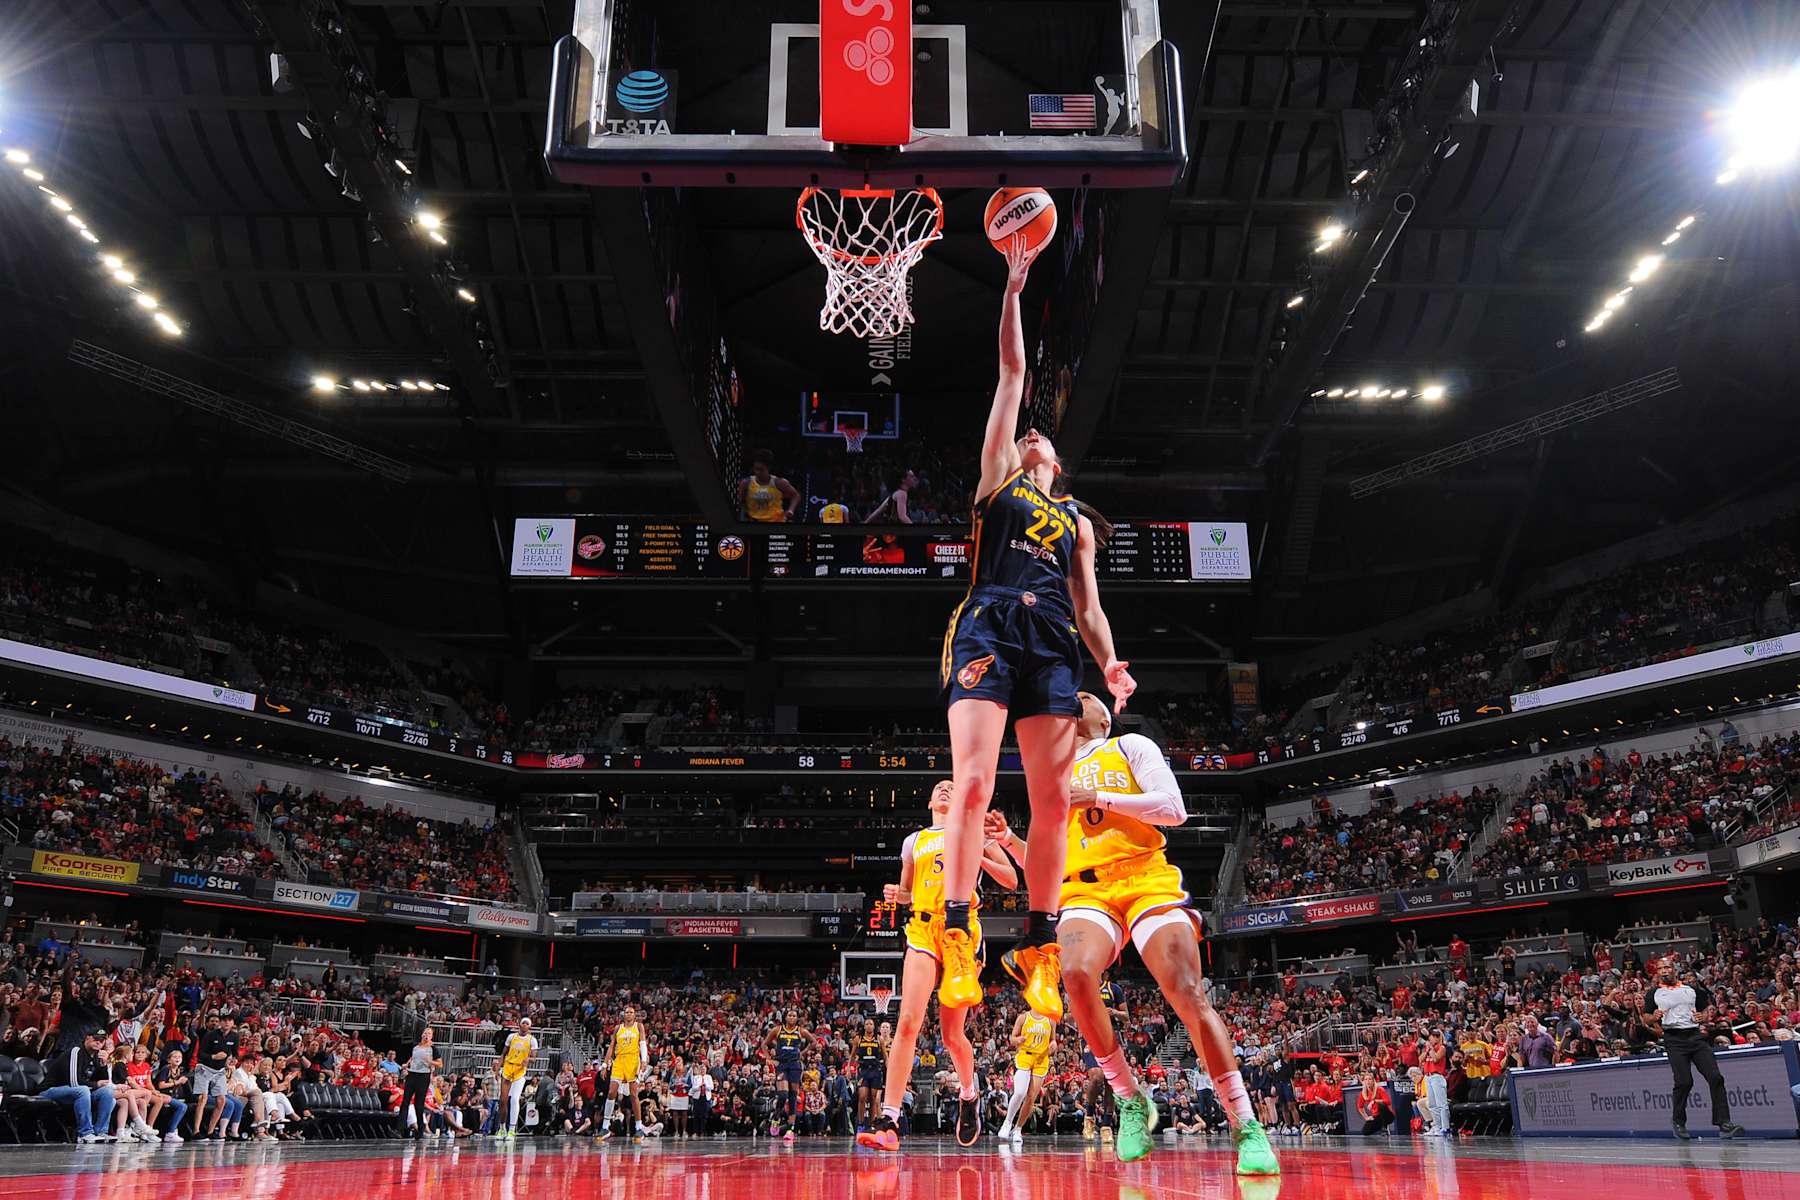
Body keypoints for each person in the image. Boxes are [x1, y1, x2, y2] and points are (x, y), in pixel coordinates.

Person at [935, 234, 1135, 1027]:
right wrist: (1013, 289)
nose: (1031, 438)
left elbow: (1088, 607)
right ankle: (958, 929)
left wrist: (1111, 663)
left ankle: (1041, 947)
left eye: (1041, 439)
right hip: (988, 626)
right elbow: (1013, 374)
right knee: (976, 785)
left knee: (1052, 803)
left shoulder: (1075, 522)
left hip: (1054, 643)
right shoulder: (998, 485)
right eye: (1026, 437)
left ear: (1058, 460)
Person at [993, 692, 1278, 1173]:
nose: (1074, 698)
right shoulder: (1050, 772)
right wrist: (1009, 842)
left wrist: (1098, 797)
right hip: (1085, 890)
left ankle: (1245, 1123)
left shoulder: (1130, 746)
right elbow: (1043, 862)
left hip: (1145, 876)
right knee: (1077, 973)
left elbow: (1173, 808)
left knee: (1186, 990)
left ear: (1103, 716)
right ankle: (1129, 1099)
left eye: (1084, 695)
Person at [856, 781, 1019, 1153]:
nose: (946, 789)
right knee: (908, 1021)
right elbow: (908, 894)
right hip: (923, 929)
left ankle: (968, 1093)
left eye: (951, 786)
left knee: (951, 1035)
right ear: (930, 800)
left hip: (961, 929)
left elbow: (1010, 879)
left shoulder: (973, 830)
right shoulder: (913, 842)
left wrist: (974, 851)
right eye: (939, 787)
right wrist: (898, 896)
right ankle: (890, 1118)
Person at [1643, 965, 1745, 1139]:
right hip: (1673, 1038)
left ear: (1675, 970)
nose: (1665, 971)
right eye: (1661, 969)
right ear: (1657, 973)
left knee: (1715, 1077)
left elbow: (1704, 1010)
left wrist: (1702, 1017)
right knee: (1684, 1082)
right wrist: (1654, 1017)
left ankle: (1724, 1123)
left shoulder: (1690, 989)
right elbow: (1645, 1017)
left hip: (1695, 1036)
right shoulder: (1654, 993)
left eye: (1667, 967)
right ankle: (1678, 1122)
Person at [43, 1029, 118, 1144]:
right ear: (87, 1038)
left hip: (77, 1093)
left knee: (107, 1092)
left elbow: (104, 1082)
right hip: (51, 1090)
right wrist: (95, 1084)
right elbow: (74, 1083)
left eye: (102, 1041)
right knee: (82, 1090)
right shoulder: (76, 1051)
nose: (98, 1042)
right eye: (96, 1039)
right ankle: (85, 1133)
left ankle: (101, 1132)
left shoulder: (97, 1056)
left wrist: (104, 1064)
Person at [996, 1008, 1056, 1144]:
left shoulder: (1051, 1020)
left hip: (1041, 1059)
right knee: (1019, 1092)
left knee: (1031, 1097)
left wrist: (1053, 1045)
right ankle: (1007, 1122)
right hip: (1025, 1056)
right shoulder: (1023, 1017)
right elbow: (1012, 1038)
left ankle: (1018, 1129)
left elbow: (1053, 1040)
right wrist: (1018, 1040)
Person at [765, 1008, 817, 1142]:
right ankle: (776, 1117)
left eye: (795, 1015)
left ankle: (790, 1129)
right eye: (790, 1015)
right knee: (782, 1095)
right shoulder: (777, 1030)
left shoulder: (801, 1031)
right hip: (781, 1064)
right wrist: (769, 1059)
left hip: (795, 1065)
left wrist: (803, 1053)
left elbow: (813, 1042)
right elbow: (764, 1044)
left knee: (793, 1096)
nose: (792, 1017)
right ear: (785, 1017)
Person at [597, 1005, 648, 1142]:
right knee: (611, 1092)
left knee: (633, 1094)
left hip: (633, 1061)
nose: (629, 1014)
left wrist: (644, 1060)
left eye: (631, 1012)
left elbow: (642, 1043)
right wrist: (604, 1064)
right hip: (619, 1061)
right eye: (627, 1012)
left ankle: (638, 1128)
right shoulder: (618, 1028)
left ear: (635, 1015)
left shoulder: (639, 1026)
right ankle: (605, 1127)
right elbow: (611, 1047)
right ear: (623, 1014)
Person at [497, 1017, 537, 1139]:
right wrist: (499, 1067)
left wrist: (528, 1059)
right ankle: (502, 1128)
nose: (525, 1025)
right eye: (523, 1023)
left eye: (527, 1024)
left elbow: (534, 1058)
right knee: (503, 1101)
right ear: (519, 1024)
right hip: (508, 1069)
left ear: (529, 1027)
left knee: (514, 1099)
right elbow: (503, 1053)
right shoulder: (511, 1037)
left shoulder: (532, 1040)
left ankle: (512, 1130)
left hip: (520, 1072)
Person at [738, 450, 799, 523]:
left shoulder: (779, 483)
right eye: (755, 469)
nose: (757, 472)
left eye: (761, 469)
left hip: (776, 522)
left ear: (768, 468)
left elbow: (795, 496)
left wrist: (791, 510)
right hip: (754, 523)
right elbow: (739, 502)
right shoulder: (746, 483)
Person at [404, 1027, 440, 1140]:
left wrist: (430, 1062)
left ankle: (421, 1130)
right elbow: (413, 1058)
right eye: (425, 1033)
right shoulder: (416, 1048)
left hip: (422, 1076)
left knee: (419, 1106)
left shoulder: (433, 1049)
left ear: (431, 1036)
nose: (426, 1035)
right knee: (408, 1104)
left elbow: (439, 1064)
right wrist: (407, 1064)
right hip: (413, 1075)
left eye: (429, 1033)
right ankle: (405, 1129)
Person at [853, 1017, 888, 1132]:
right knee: (862, 1097)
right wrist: (849, 1068)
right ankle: (861, 1124)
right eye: (867, 1024)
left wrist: (888, 1069)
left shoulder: (879, 1039)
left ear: (874, 1027)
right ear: (864, 1026)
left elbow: (885, 1056)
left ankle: (872, 1125)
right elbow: (852, 1055)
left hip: (875, 1070)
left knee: (873, 1099)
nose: (868, 1025)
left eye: (871, 1024)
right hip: (863, 1070)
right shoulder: (858, 1039)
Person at [1418, 1028, 1451, 1137]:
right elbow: (1420, 1059)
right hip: (1428, 1077)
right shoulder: (1427, 1049)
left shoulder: (1441, 1048)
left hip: (1437, 1076)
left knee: (1441, 1104)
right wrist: (1427, 1050)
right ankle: (1436, 1126)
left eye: (1432, 1037)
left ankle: (1445, 1127)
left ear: (1437, 1038)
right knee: (1432, 1104)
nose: (1430, 1039)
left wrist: (1431, 1049)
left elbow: (1436, 1059)